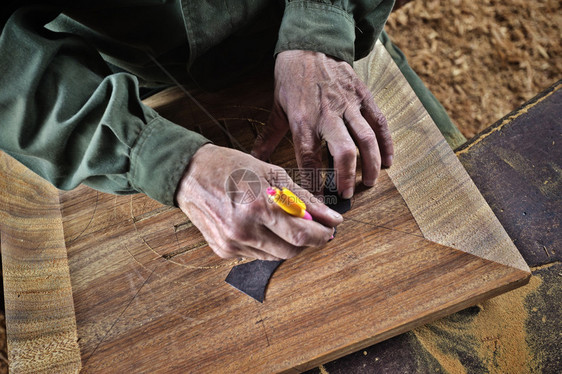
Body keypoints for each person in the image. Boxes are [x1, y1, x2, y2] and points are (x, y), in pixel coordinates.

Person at [0, 1, 464, 261]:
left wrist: (319, 25)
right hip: (126, 98)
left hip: (329, 46)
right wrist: (160, 157)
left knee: (459, 215)